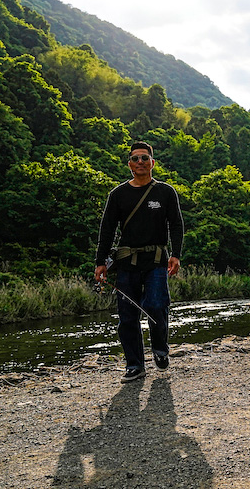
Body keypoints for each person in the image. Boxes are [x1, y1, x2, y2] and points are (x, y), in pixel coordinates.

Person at [94, 142, 184, 383]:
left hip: (156, 261)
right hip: (126, 263)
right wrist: (100, 262)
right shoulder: (117, 195)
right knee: (127, 316)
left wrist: (176, 254)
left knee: (156, 306)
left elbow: (176, 224)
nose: (141, 162)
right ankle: (135, 365)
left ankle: (160, 350)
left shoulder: (166, 192)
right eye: (135, 158)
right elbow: (107, 229)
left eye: (145, 158)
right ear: (129, 164)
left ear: (153, 163)